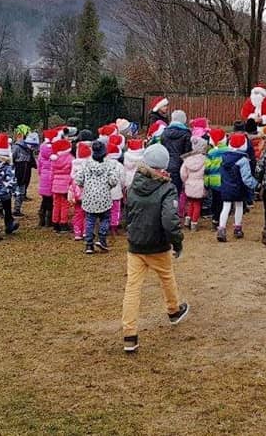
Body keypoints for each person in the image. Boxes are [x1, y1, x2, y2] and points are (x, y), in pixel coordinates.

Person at [121, 143, 190, 354]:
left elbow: (128, 212)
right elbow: (170, 220)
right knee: (167, 276)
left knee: (132, 288)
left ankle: (129, 335)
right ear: (164, 166)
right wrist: (177, 242)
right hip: (157, 245)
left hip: (136, 244)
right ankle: (173, 310)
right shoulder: (167, 188)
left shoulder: (133, 184)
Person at [75, 139, 119, 254]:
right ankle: (102, 239)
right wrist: (108, 185)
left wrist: (85, 185)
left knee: (90, 221)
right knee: (105, 219)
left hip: (89, 197)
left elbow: (78, 179)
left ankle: (89, 244)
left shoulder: (86, 164)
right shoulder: (109, 165)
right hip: (104, 197)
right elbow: (114, 180)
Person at [217, 133, 258, 242]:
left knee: (225, 207)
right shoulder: (243, 160)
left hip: (226, 186)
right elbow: (246, 178)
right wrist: (256, 184)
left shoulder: (223, 157)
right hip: (239, 187)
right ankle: (237, 228)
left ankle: (221, 229)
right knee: (239, 206)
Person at [160, 110, 193, 218]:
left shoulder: (164, 133)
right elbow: (187, 152)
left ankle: (165, 211)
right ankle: (174, 214)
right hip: (180, 165)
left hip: (165, 164)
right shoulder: (186, 134)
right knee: (177, 191)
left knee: (165, 190)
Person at [180, 136, 208, 232]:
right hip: (200, 184)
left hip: (189, 183)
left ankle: (187, 220)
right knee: (197, 204)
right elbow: (206, 172)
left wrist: (185, 181)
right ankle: (194, 223)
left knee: (190, 203)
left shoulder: (187, 159)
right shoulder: (205, 160)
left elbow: (183, 173)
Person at [204, 129, 227, 230]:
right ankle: (220, 218)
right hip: (225, 179)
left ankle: (215, 219)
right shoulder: (228, 151)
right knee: (222, 201)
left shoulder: (211, 152)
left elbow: (207, 167)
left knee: (215, 199)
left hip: (213, 180)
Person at [11, 128, 37, 217]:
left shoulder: (29, 149)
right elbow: (11, 159)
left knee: (21, 193)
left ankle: (17, 209)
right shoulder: (17, 147)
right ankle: (5, 209)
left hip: (25, 173)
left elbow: (32, 160)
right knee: (13, 192)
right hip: (17, 172)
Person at [69, 141, 92, 241]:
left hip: (77, 194)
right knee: (87, 214)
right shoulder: (90, 165)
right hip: (87, 194)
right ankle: (86, 232)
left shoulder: (75, 165)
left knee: (78, 214)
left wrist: (71, 193)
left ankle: (77, 233)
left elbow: (71, 179)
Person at [50, 138, 73, 233]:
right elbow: (72, 173)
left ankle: (55, 223)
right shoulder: (70, 158)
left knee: (56, 204)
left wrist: (52, 183)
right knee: (64, 205)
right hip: (65, 185)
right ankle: (63, 223)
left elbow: (51, 173)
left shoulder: (54, 159)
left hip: (55, 185)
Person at [37, 128, 58, 227]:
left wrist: (41, 174)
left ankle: (41, 219)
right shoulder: (56, 152)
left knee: (44, 199)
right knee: (51, 200)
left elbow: (39, 166)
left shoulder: (42, 151)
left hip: (44, 178)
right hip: (52, 179)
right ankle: (49, 220)